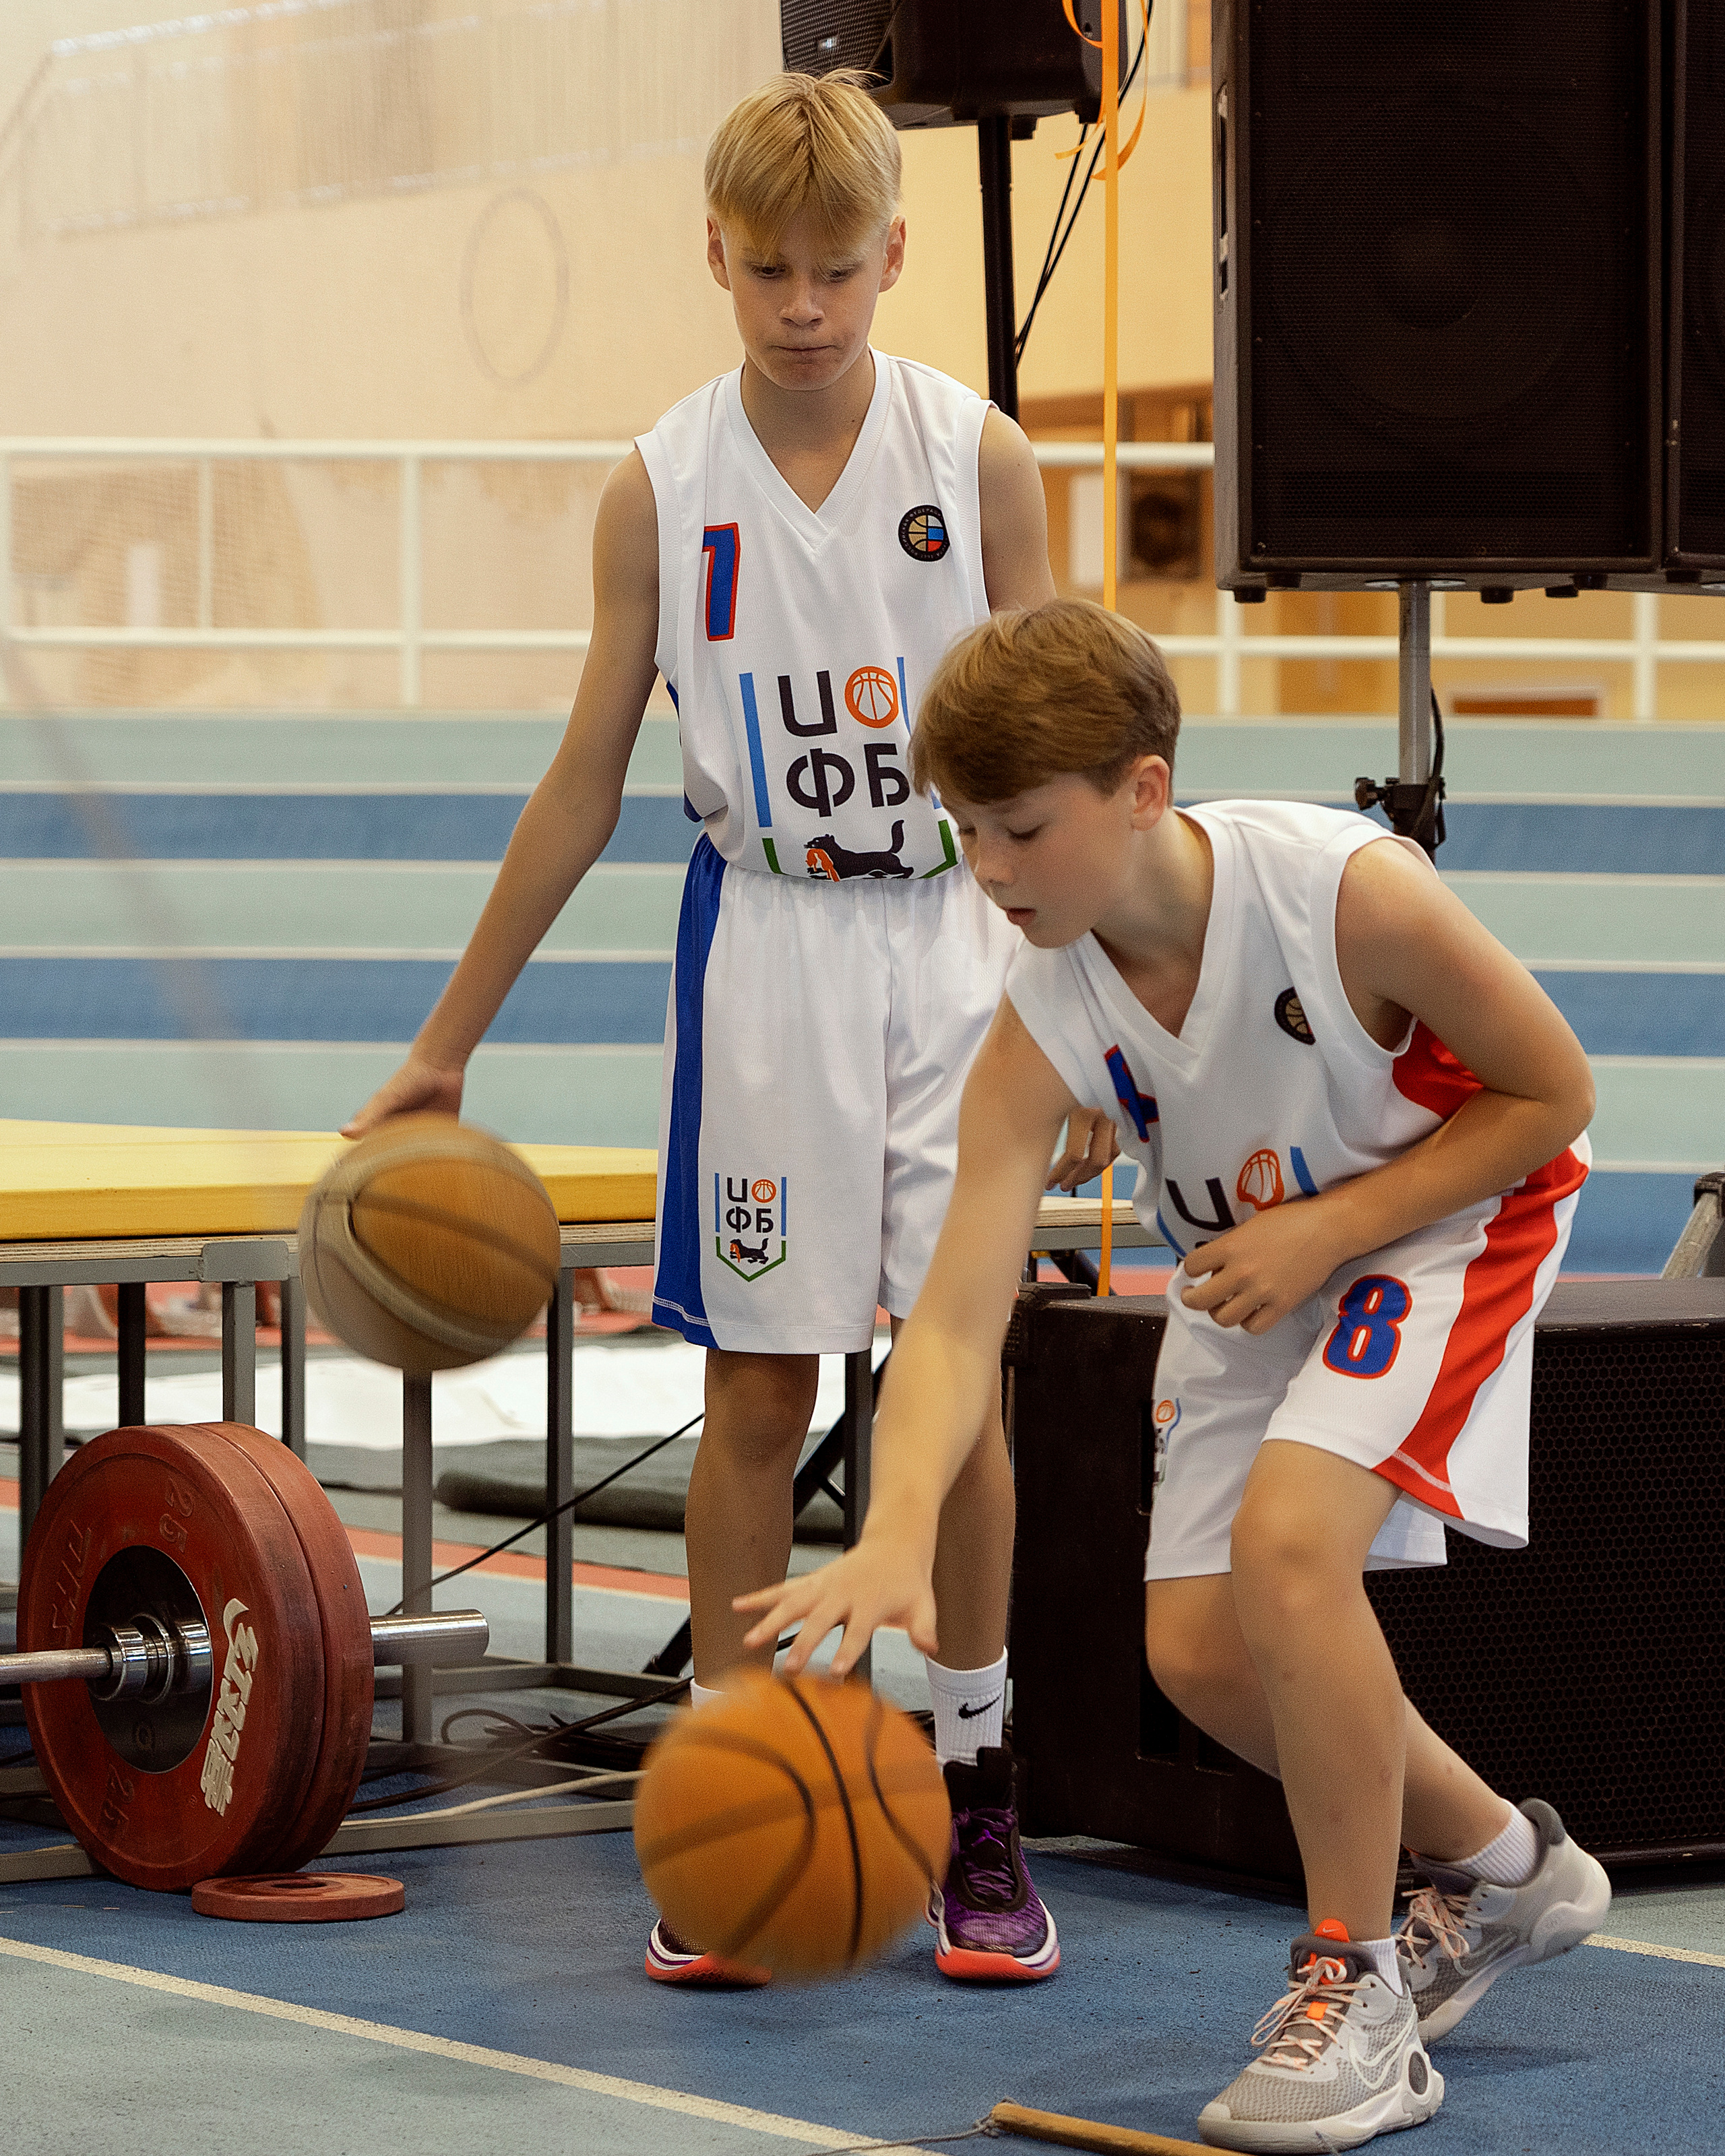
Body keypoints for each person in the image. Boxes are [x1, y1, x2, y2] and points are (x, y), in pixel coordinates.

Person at [344, 73, 1115, 1989]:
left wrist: (1096, 1012)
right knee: (765, 1393)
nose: (802, 304)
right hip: (765, 944)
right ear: (713, 254)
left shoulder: (980, 456)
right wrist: (451, 1042)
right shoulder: (660, 482)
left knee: (961, 1393)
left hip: (957, 941)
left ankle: (975, 1782)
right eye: (767, 268)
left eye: (837, 270)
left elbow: (1082, 761)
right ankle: (734, 1777)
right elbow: (583, 782)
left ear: (895, 259)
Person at [738, 600, 1612, 2151]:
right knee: (1203, 1657)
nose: (987, 874)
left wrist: (1332, 1225)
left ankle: (1352, 1993)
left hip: (1435, 1222)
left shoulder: (1345, 895)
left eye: (1018, 831)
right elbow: (948, 1324)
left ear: (1141, 789)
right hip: (1249, 1263)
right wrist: (883, 1532)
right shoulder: (1041, 1012)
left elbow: (1550, 1092)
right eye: (964, 835)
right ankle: (1502, 1867)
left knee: (1288, 1556)